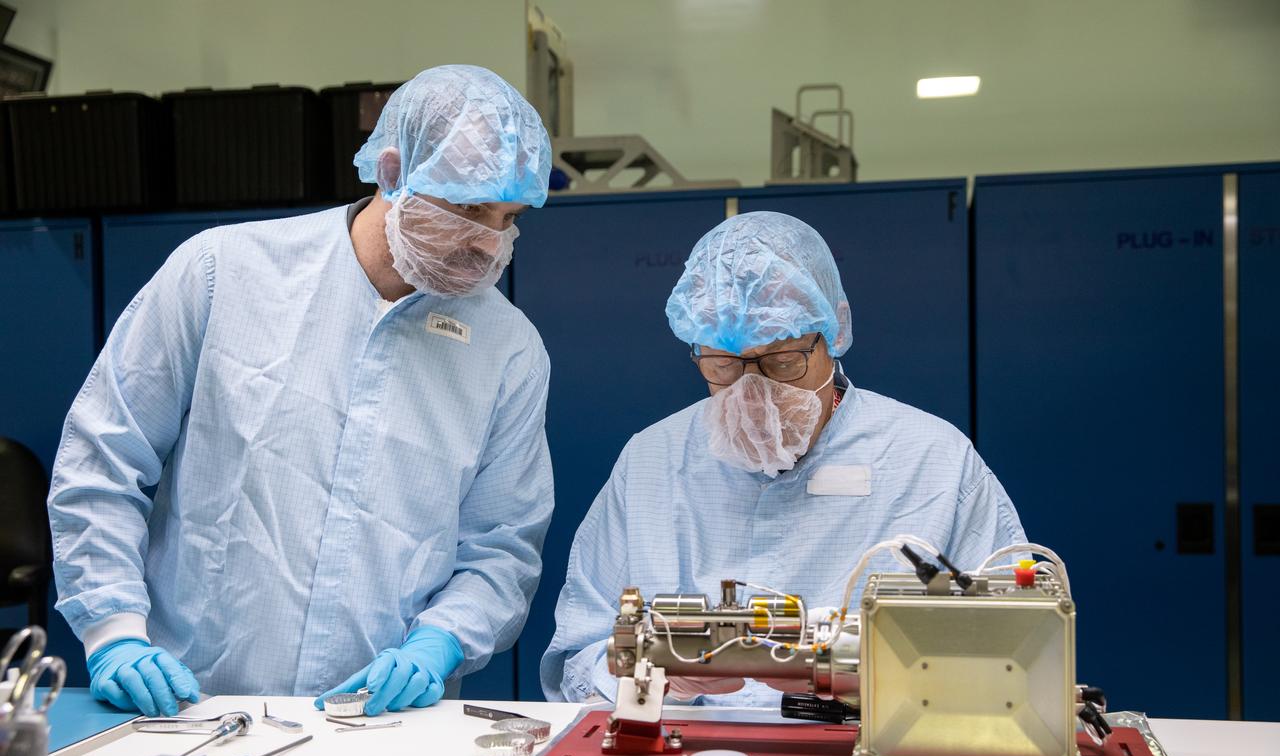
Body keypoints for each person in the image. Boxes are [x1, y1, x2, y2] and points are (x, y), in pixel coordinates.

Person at [48, 65, 555, 718]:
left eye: (509, 217)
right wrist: (113, 631)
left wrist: (441, 640)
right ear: (393, 172)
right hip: (188, 707)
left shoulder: (508, 350)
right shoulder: (221, 274)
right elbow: (103, 456)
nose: (487, 244)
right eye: (467, 208)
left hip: (377, 723)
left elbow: (502, 548)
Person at [541, 211, 1026, 705]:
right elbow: (576, 663)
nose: (754, 393)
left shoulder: (932, 464)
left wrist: (870, 680)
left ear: (833, 335)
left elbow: (1013, 661)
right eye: (723, 365)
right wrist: (650, 676)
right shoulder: (651, 462)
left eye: (783, 362)